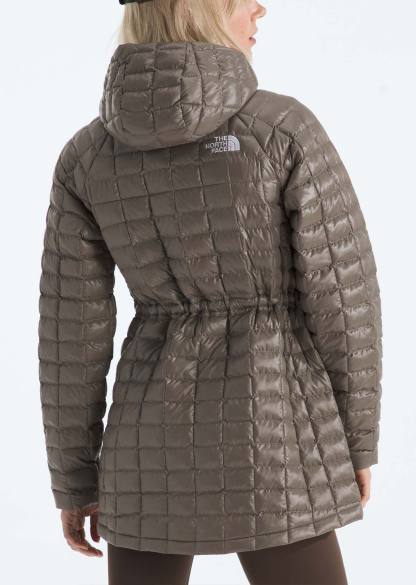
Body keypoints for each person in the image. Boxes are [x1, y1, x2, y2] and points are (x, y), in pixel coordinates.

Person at [37, 1, 383, 584]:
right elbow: (345, 298)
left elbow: (69, 335)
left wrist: (73, 479)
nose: (260, 8)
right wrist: (356, 438)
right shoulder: (282, 129)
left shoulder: (86, 157)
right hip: (278, 428)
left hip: (145, 446)